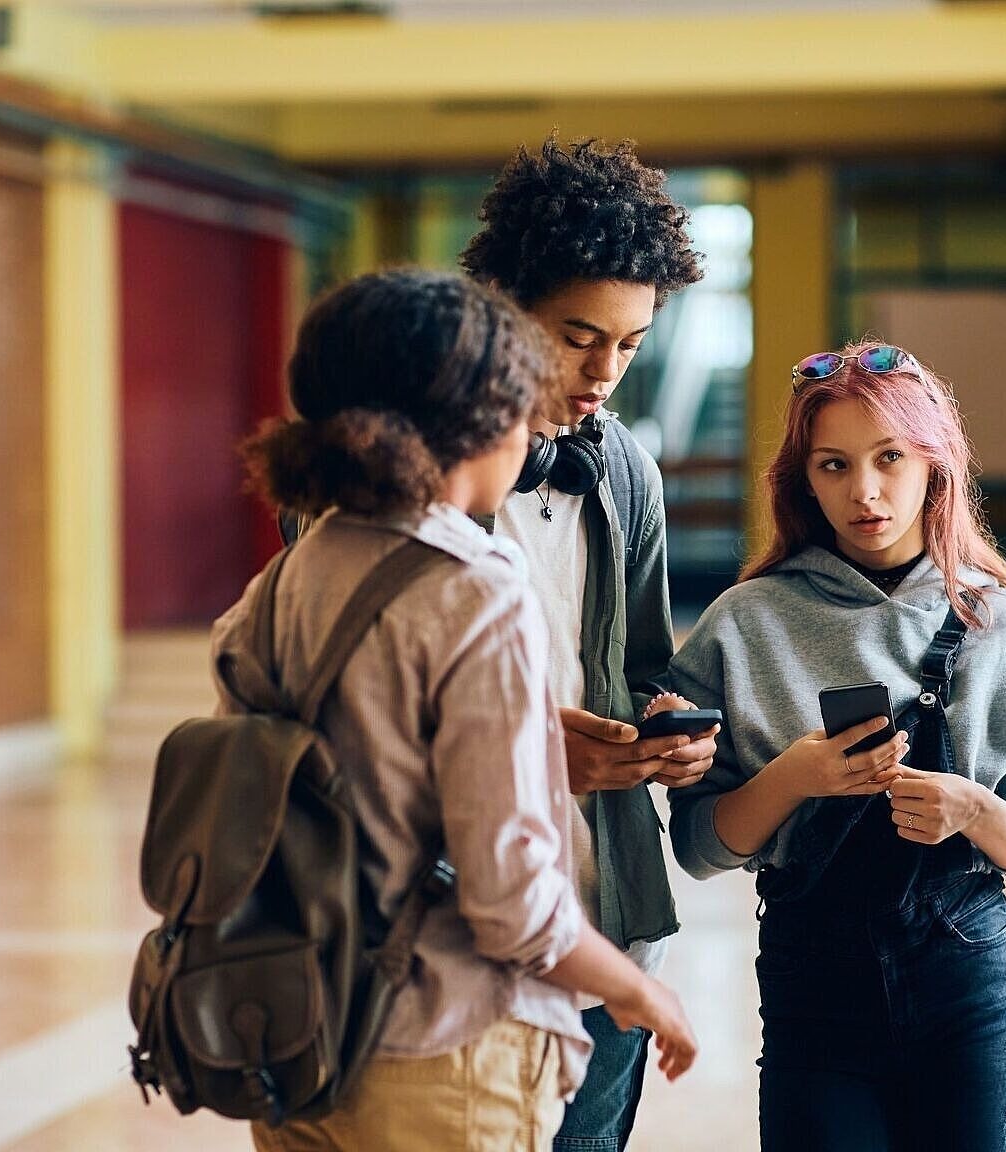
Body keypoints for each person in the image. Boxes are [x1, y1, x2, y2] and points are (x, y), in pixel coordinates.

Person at [218, 269, 696, 1152]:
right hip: (442, 1047)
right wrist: (634, 988)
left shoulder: (279, 585)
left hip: (299, 1034)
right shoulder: (476, 593)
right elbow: (509, 897)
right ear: (469, 424)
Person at [664, 341, 1006, 1151]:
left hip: (971, 1005)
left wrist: (969, 809)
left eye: (890, 457)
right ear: (803, 479)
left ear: (936, 465)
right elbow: (698, 850)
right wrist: (796, 776)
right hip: (814, 1013)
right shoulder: (745, 625)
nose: (864, 491)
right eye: (833, 465)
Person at [458, 134, 714, 1151]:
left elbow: (641, 664)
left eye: (632, 344)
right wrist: (518, 749)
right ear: (501, 306)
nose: (606, 370)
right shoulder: (387, 473)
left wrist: (667, 730)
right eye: (577, 336)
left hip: (605, 907)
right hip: (446, 932)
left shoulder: (625, 476)